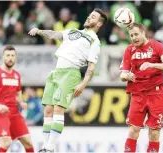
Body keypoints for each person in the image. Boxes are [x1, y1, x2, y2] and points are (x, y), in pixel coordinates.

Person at [28, 8, 107, 153]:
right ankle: (45, 147)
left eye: (93, 17)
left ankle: (50, 148)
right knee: (48, 110)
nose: (89, 18)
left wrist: (83, 84)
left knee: (58, 109)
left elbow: (91, 66)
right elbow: (55, 34)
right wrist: (39, 31)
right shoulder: (73, 31)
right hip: (56, 72)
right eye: (90, 15)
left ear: (99, 24)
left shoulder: (94, 41)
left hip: (71, 74)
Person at [119, 23, 163, 153]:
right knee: (133, 130)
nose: (134, 38)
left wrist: (152, 64)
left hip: (156, 93)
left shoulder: (157, 46)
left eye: (136, 34)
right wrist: (126, 75)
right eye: (131, 35)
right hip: (137, 94)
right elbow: (122, 73)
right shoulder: (129, 50)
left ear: (143, 32)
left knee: (154, 132)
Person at [0, 46, 34, 153]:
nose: (10, 58)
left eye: (12, 56)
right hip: (1, 113)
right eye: (8, 55)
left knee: (28, 141)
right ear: (3, 57)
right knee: (5, 142)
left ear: (15, 57)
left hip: (15, 113)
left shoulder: (16, 75)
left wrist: (21, 102)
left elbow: (17, 93)